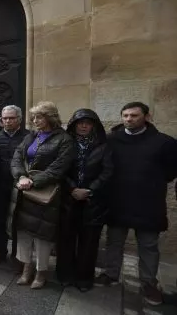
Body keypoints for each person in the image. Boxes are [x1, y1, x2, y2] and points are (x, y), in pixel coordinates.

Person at [95, 102, 177, 305]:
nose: (129, 119)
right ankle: (111, 274)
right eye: (125, 115)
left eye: (134, 115)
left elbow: (170, 171)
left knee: (148, 246)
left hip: (148, 203)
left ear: (147, 117)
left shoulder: (164, 143)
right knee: (114, 242)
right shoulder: (112, 140)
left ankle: (149, 283)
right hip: (118, 200)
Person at [10, 101, 75, 289]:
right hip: (23, 191)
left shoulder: (64, 139)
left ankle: (41, 272)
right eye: (33, 117)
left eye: (39, 117)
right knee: (23, 233)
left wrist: (33, 181)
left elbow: (59, 167)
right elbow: (17, 157)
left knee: (42, 236)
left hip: (46, 194)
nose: (35, 121)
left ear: (50, 118)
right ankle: (26, 269)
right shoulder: (31, 136)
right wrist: (20, 175)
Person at [55, 108, 113, 292]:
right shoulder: (65, 144)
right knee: (65, 239)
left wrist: (89, 190)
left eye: (88, 123)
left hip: (93, 202)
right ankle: (65, 275)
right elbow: (59, 169)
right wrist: (72, 189)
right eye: (80, 122)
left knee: (89, 242)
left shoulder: (103, 146)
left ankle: (84, 279)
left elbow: (108, 172)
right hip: (68, 200)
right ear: (73, 125)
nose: (84, 126)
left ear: (94, 125)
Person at [0, 105, 29, 263]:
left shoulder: (29, 137)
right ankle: (1, 252)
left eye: (11, 118)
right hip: (0, 187)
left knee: (19, 222)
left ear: (19, 119)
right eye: (4, 118)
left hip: (20, 188)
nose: (7, 121)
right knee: (0, 220)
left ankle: (16, 255)